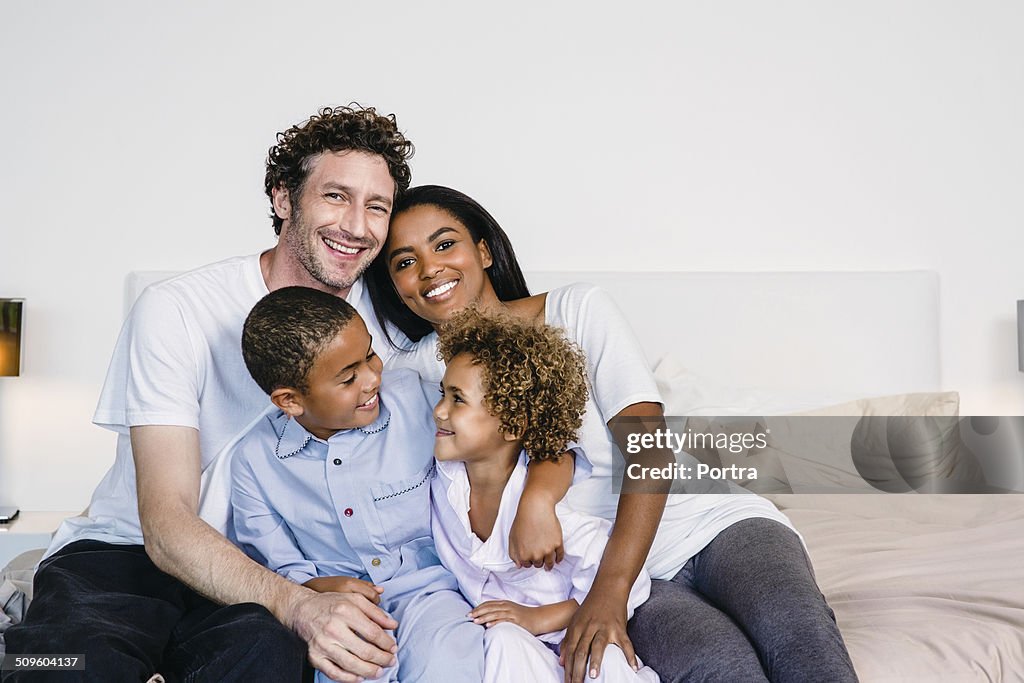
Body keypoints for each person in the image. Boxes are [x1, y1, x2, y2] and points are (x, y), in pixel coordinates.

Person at [366, 185, 860, 683]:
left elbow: (649, 449)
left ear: (485, 251)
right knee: (721, 667)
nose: (429, 269)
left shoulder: (577, 310)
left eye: (445, 244)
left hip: (707, 524)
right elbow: (328, 366)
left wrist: (610, 591)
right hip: (614, 565)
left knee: (803, 649)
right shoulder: (416, 374)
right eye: (404, 262)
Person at [5, 106, 416, 683]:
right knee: (58, 667)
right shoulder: (178, 310)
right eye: (335, 196)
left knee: (268, 660)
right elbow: (167, 522)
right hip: (126, 556)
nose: (357, 225)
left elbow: (496, 347)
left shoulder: (391, 325)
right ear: (282, 198)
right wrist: (295, 604)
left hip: (262, 572)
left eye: (377, 206)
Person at [232, 286, 484, 682]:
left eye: (370, 355)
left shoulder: (419, 400)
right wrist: (313, 585)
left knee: (449, 663)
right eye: (349, 378)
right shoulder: (255, 461)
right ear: (290, 401)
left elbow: (507, 447)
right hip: (336, 612)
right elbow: (274, 562)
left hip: (431, 593)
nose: (371, 379)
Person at [429, 308, 660, 683]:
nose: (438, 410)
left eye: (458, 399)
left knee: (605, 662)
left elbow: (633, 584)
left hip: (574, 642)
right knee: (501, 640)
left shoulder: (554, 515)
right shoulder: (444, 479)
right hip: (517, 646)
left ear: (511, 425)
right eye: (443, 393)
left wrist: (539, 618)